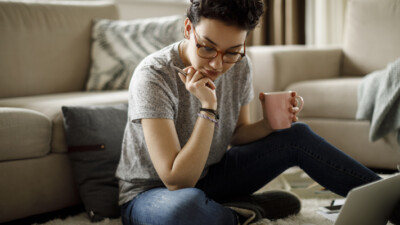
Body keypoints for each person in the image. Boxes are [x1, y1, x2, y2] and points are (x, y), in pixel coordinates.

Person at [115, 0, 395, 224]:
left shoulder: (239, 64)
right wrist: (208, 108)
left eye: (232, 51)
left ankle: (396, 205)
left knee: (295, 135)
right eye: (207, 48)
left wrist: (271, 124)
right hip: (153, 194)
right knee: (183, 212)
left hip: (212, 177)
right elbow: (177, 180)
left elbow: (237, 134)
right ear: (188, 29)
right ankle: (243, 212)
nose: (217, 63)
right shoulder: (154, 75)